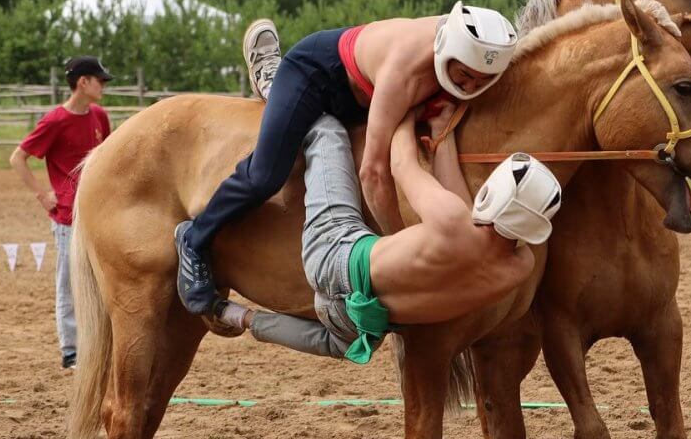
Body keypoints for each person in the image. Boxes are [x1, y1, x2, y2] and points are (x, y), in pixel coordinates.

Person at [175, 3, 519, 316]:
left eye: (482, 81)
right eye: (463, 76)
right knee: (267, 175)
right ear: (448, 55)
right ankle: (195, 236)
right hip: (316, 76)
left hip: (363, 91)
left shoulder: (475, 56)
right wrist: (403, 251)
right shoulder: (405, 71)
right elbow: (373, 173)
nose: (470, 87)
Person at [210, 103, 562, 364]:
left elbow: (400, 165)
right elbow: (471, 217)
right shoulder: (520, 266)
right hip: (362, 320)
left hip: (332, 258)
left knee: (325, 129)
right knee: (342, 344)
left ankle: (273, 84)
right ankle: (240, 317)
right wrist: (444, 136)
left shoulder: (453, 220)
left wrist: (406, 111)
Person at [10, 56, 113, 369]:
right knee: (68, 283)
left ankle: (94, 346)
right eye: (99, 80)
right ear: (83, 82)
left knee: (99, 282)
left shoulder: (99, 116)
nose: (103, 85)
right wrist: (42, 195)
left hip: (97, 213)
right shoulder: (55, 120)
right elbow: (18, 157)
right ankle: (71, 350)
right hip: (68, 218)